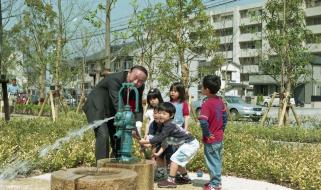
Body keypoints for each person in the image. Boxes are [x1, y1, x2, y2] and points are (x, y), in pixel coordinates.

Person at [83, 65, 148, 162]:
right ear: (129, 72)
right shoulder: (115, 79)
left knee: (118, 136)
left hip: (112, 110)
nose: (136, 83)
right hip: (97, 107)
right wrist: (132, 127)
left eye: (140, 81)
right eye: (135, 78)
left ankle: (119, 162)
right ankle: (102, 167)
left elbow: (137, 105)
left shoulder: (139, 87)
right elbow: (118, 104)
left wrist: (138, 125)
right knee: (103, 135)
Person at [139, 102, 199, 188]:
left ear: (171, 115)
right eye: (159, 113)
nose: (160, 115)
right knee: (178, 161)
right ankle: (185, 178)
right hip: (189, 144)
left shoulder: (169, 126)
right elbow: (165, 142)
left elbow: (159, 138)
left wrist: (145, 142)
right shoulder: (165, 125)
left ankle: (171, 181)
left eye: (164, 114)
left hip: (190, 144)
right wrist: (158, 153)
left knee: (174, 160)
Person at [198, 75, 228, 190]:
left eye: (202, 86)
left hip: (211, 139)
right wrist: (221, 130)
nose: (201, 88)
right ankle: (215, 182)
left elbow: (203, 122)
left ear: (207, 89)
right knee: (217, 160)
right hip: (219, 137)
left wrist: (207, 134)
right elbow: (225, 118)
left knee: (212, 162)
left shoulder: (206, 103)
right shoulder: (220, 101)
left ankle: (215, 184)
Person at [145, 106, 174, 181]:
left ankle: (173, 174)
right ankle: (161, 174)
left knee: (171, 158)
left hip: (171, 143)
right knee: (159, 156)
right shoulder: (152, 124)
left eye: (159, 113)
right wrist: (153, 155)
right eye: (154, 113)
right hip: (159, 143)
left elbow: (165, 140)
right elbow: (152, 139)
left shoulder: (166, 124)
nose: (156, 115)